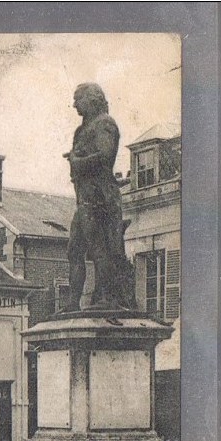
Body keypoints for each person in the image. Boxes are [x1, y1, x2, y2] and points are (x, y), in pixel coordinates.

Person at [63, 82, 134, 311]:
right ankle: (73, 302)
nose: (74, 104)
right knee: (74, 249)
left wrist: (76, 161)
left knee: (99, 248)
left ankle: (106, 297)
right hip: (84, 198)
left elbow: (104, 157)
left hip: (101, 197)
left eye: (78, 99)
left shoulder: (105, 124)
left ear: (92, 99)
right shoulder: (81, 130)